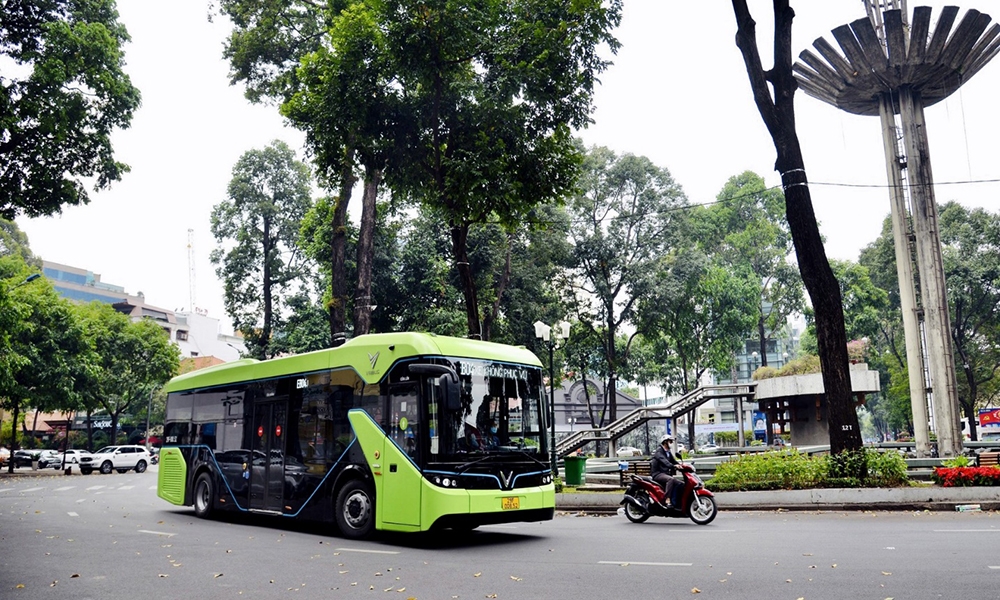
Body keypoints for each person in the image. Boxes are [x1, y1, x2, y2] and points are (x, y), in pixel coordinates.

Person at [650, 434, 682, 508]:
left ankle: (675, 501)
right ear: (665, 442)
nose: (671, 443)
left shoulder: (668, 452)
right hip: (657, 474)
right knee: (670, 479)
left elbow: (673, 461)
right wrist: (673, 466)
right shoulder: (659, 451)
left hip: (665, 474)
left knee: (680, 484)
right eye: (670, 441)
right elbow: (665, 462)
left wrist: (681, 465)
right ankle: (667, 499)